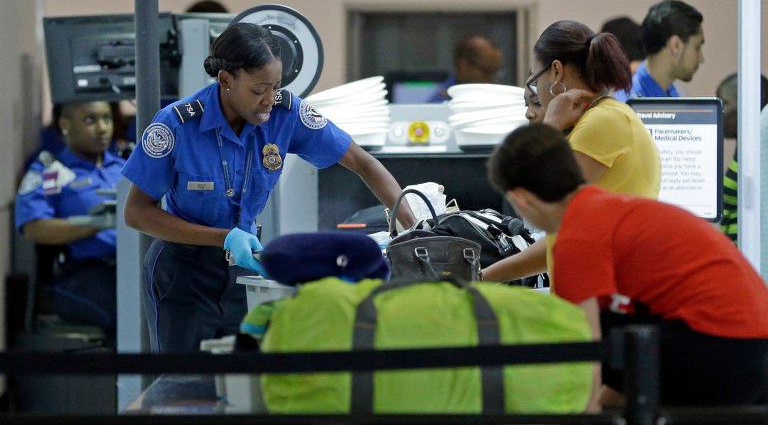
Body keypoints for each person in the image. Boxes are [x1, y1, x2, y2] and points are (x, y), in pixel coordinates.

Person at [121, 22, 416, 353]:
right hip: (182, 272)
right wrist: (224, 237)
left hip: (245, 270)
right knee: (183, 388)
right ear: (226, 81)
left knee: (242, 383)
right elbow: (136, 213)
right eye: (259, 89)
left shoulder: (285, 114)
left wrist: (414, 226)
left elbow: (364, 163)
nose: (269, 100)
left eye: (276, 87)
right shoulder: (177, 124)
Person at [487, 122, 768, 408]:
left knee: (591, 329)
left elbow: (585, 355)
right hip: (752, 349)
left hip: (722, 352)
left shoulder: (577, 237)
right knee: (617, 321)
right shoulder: (607, 208)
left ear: (519, 198)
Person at [482, 20, 660, 283]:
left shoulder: (602, 122)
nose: (537, 95)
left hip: (611, 297)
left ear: (556, 71)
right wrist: (481, 277)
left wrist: (550, 126)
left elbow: (536, 205)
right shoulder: (601, 119)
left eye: (535, 78)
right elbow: (558, 241)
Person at [15, 101, 123, 344]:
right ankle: (130, 381)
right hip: (80, 274)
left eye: (107, 118)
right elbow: (35, 227)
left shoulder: (124, 167)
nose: (102, 128)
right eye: (90, 120)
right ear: (65, 124)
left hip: (133, 265)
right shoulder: (52, 173)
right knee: (126, 311)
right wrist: (101, 222)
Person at [615, 0, 704, 102]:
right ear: (676, 45)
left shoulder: (673, 92)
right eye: (697, 47)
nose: (701, 59)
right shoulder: (628, 107)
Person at [716, 73, 768, 244]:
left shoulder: (758, 156)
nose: (719, 110)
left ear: (746, 106)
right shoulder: (744, 148)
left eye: (725, 102)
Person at [427, 34, 503, 103]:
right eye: (486, 70)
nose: (491, 78)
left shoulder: (501, 100)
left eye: (495, 71)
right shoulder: (440, 103)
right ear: (463, 65)